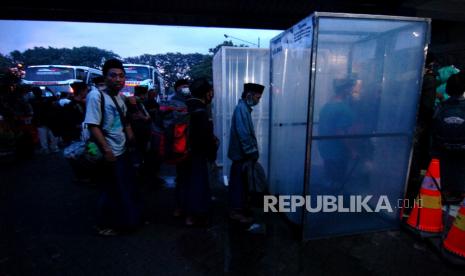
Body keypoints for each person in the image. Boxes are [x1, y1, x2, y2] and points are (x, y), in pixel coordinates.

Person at [84, 58, 141, 236]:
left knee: (122, 188)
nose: (118, 79)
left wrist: (131, 140)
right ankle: (103, 224)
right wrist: (107, 150)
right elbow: (93, 125)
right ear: (105, 77)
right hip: (109, 152)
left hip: (122, 151)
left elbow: (125, 122)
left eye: (121, 76)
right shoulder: (96, 96)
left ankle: (123, 220)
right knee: (109, 190)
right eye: (113, 75)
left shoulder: (118, 97)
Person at [227, 83, 265, 224]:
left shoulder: (244, 109)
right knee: (238, 184)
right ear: (248, 95)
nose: (258, 100)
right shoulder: (241, 110)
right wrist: (252, 152)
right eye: (257, 97)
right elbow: (244, 134)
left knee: (241, 183)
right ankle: (235, 211)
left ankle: (240, 207)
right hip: (241, 155)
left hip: (241, 155)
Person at [184, 78, 218, 226]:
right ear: (206, 93)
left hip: (187, 151)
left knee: (190, 182)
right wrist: (212, 151)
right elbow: (203, 137)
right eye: (211, 92)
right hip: (198, 153)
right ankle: (195, 216)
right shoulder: (201, 111)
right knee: (198, 183)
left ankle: (191, 212)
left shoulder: (189, 105)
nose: (212, 94)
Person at [432, 72, 465, 203]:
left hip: (443, 146)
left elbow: (434, 127)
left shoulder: (441, 106)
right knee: (461, 167)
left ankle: (445, 191)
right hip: (462, 147)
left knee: (445, 167)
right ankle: (460, 191)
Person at [318, 78, 356, 188]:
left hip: (325, 149)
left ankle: (326, 201)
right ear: (345, 89)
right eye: (350, 88)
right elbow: (342, 133)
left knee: (329, 179)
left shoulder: (327, 106)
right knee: (338, 182)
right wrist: (352, 150)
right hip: (338, 152)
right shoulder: (343, 109)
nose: (351, 90)